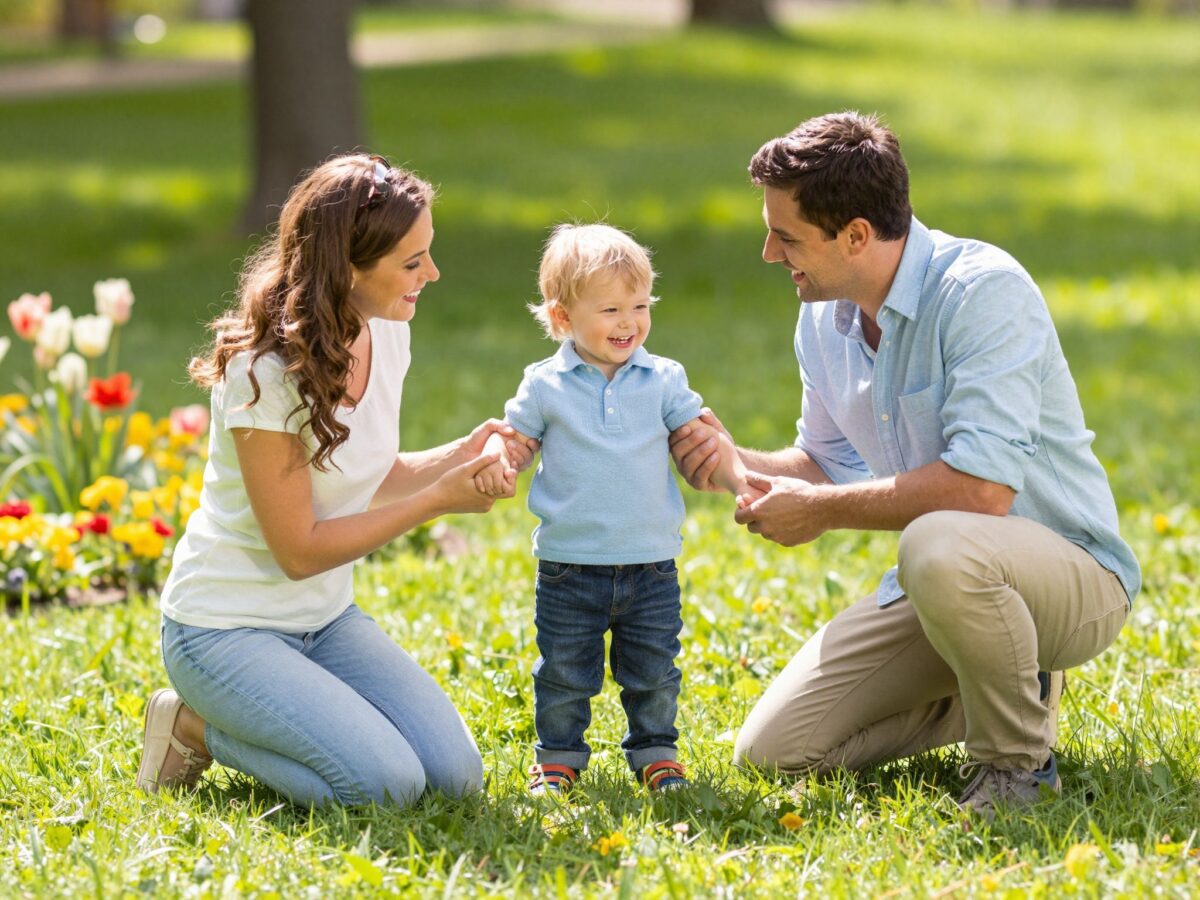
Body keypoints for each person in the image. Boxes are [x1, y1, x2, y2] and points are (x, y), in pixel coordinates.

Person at [670, 112, 1140, 820]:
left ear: (856, 235)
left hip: (1069, 577)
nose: (770, 252)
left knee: (937, 540)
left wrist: (820, 514)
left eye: (787, 236)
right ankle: (1006, 686)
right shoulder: (822, 317)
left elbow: (980, 493)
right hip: (949, 584)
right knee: (772, 752)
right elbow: (825, 464)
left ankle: (1016, 767)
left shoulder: (983, 293)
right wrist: (731, 460)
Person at [135, 153, 536, 807]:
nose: (431, 275)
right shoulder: (264, 375)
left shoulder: (386, 330)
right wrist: (438, 501)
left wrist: (457, 457)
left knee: (455, 779)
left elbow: (365, 478)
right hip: (225, 631)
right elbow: (299, 550)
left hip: (324, 621)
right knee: (384, 786)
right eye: (412, 262)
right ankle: (195, 727)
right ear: (349, 267)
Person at [477, 223, 751, 796]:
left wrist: (740, 483)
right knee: (563, 671)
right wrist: (502, 461)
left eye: (640, 306)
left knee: (653, 670)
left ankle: (655, 751)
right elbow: (518, 440)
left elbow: (700, 439)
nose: (629, 322)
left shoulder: (664, 378)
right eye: (610, 310)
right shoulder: (544, 385)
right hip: (569, 565)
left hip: (651, 563)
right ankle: (558, 757)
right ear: (562, 318)